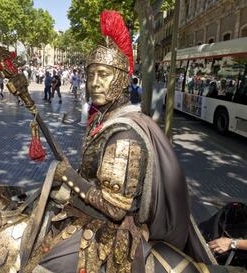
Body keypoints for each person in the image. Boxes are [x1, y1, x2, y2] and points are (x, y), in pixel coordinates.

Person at [34, 10, 214, 273]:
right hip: (90, 213)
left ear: (119, 78)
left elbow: (115, 208)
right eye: (91, 74)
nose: (95, 83)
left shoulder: (123, 135)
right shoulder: (102, 119)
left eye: (104, 75)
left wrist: (70, 177)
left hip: (109, 230)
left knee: (43, 265)